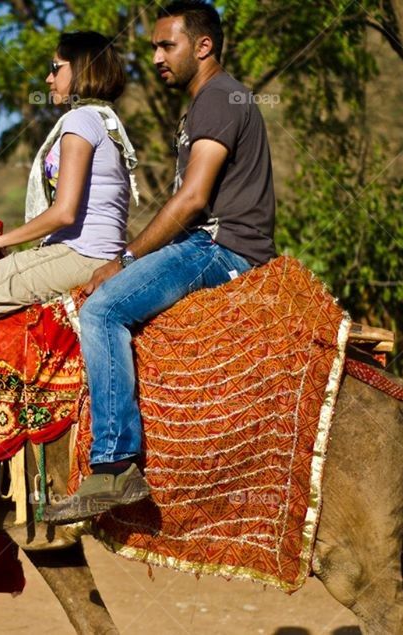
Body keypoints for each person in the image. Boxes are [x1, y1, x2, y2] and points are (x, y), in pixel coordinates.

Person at [45, 0, 277, 523]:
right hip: (216, 244)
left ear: (203, 46)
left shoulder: (217, 98)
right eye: (152, 46)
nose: (155, 57)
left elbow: (193, 200)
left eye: (166, 45)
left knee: (102, 310)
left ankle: (114, 467)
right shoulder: (214, 98)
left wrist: (126, 257)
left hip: (221, 250)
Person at [0, 31, 140, 496]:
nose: (49, 77)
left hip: (78, 255)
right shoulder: (109, 122)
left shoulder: (82, 120)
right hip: (91, 252)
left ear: (81, 69)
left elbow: (64, 213)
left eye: (56, 66)